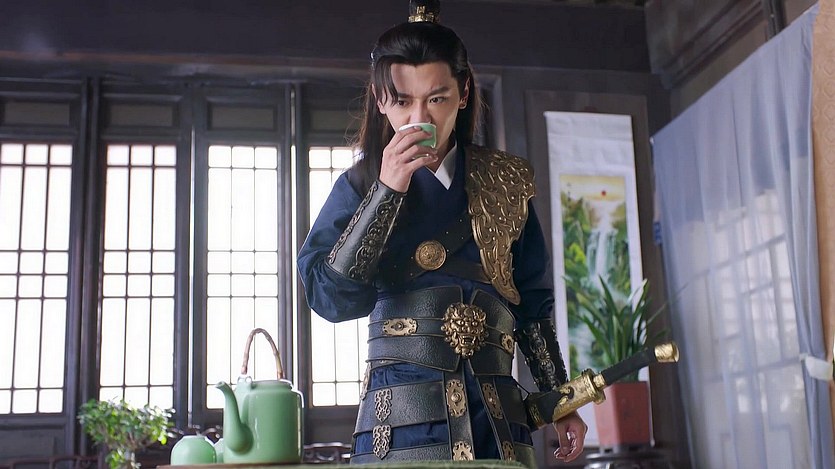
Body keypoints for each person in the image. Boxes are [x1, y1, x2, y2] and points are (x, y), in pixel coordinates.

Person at [297, 1, 587, 466]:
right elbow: (330, 299)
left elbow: (532, 302)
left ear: (464, 92)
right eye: (402, 101)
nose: (420, 119)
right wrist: (386, 191)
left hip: (497, 418)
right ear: (380, 100)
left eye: (436, 99)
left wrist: (562, 400)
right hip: (399, 423)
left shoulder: (506, 183)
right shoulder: (358, 184)